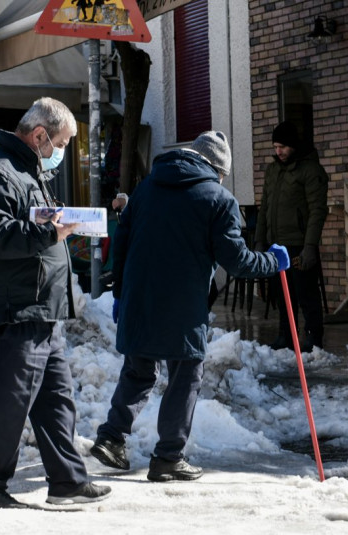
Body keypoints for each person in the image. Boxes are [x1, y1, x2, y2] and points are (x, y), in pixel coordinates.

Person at [89, 131, 290, 482]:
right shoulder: (219, 199)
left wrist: (121, 293)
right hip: (183, 306)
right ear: (217, 169)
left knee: (139, 371)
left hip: (139, 297)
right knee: (184, 376)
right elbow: (238, 262)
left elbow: (121, 242)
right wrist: (273, 261)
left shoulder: (147, 187)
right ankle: (168, 458)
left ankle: (111, 438)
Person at [0, 97, 111, 509]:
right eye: (60, 143)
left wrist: (54, 226)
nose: (60, 154)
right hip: (16, 312)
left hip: (42, 310)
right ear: (40, 135)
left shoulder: (26, 171)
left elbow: (27, 224)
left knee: (57, 401)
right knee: (10, 405)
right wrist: (49, 233)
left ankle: (67, 481)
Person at [254, 121, 329, 352]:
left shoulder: (309, 170)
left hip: (299, 243)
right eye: (276, 147)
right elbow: (265, 206)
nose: (279, 152)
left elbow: (317, 209)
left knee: (306, 293)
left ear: (294, 145)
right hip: (276, 244)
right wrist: (259, 239)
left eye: (283, 147)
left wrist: (310, 246)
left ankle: (313, 339)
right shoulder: (273, 170)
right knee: (282, 294)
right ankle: (286, 336)